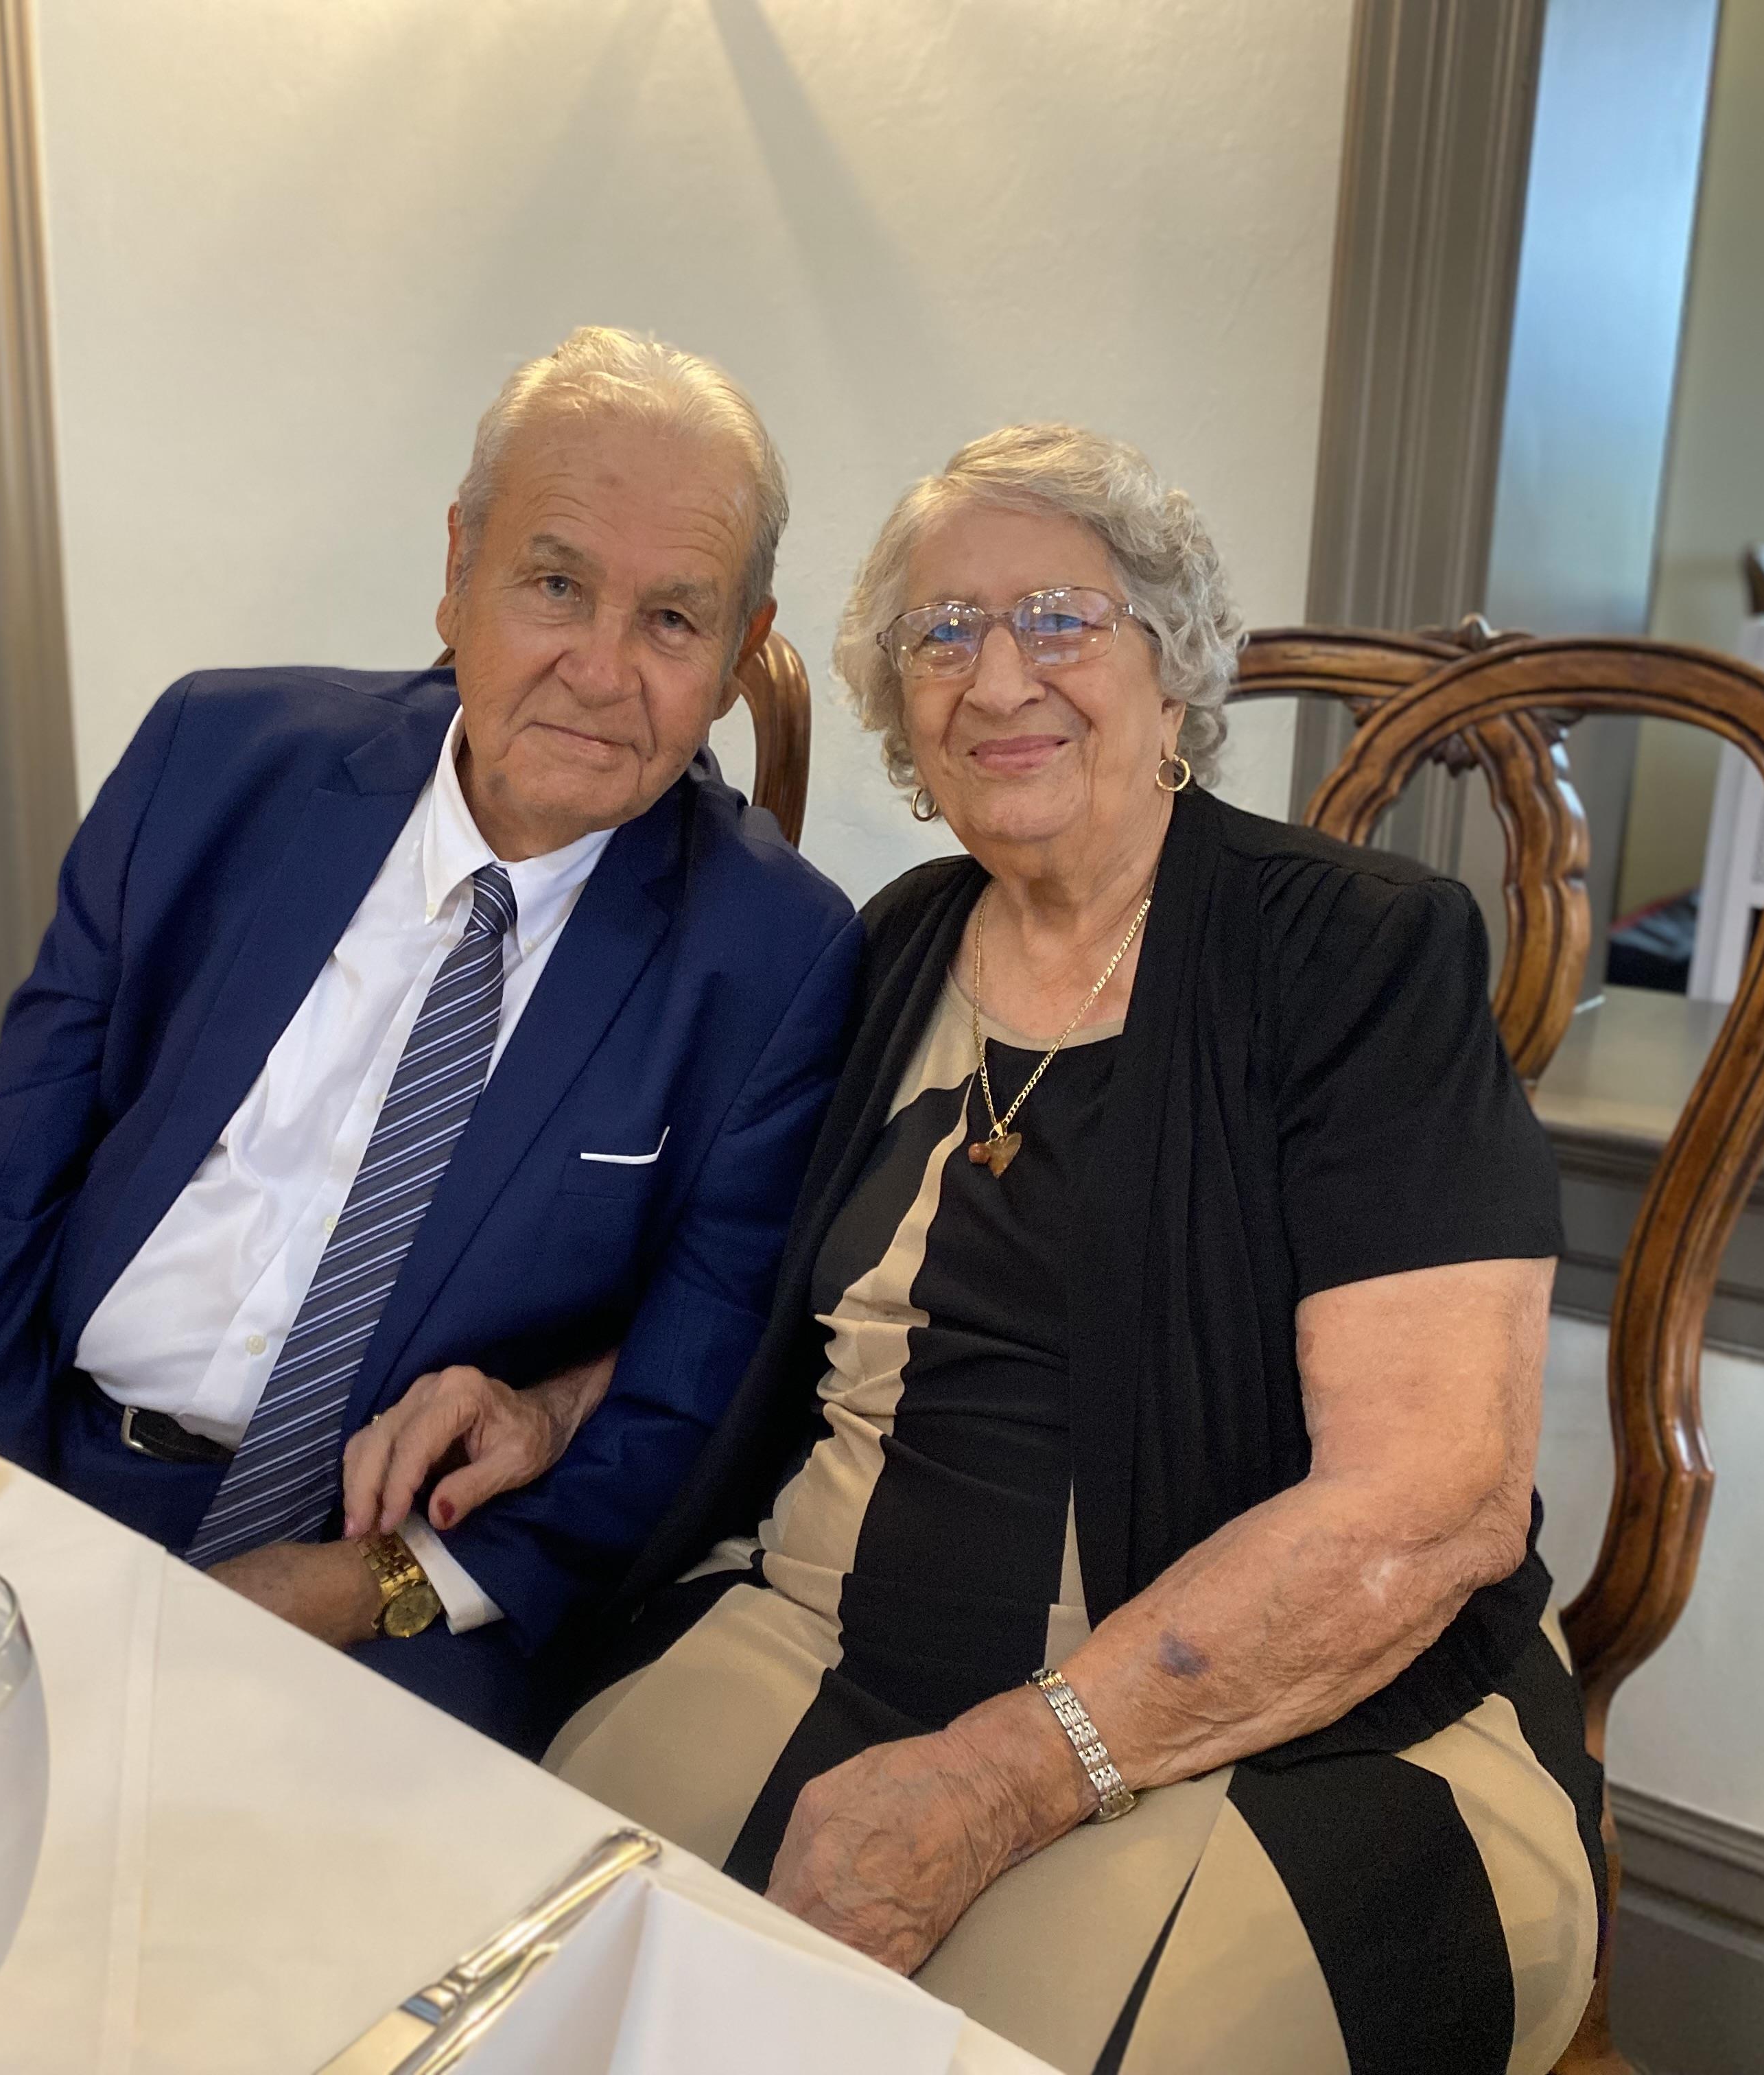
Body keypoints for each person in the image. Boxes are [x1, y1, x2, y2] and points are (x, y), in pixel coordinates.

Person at [424, 423, 1601, 2068]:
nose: (997, 679)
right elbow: (777, 1309)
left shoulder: (1353, 954)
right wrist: (557, 1408)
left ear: (1172, 663)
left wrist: (1003, 1778)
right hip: (822, 1631)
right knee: (536, 1969)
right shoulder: (904, 937)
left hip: (1261, 1729)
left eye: (1060, 619)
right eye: (945, 636)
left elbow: (1435, 1501)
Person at [0, 329, 857, 1749]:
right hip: (62, 1462)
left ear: (738, 656)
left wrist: (382, 1584)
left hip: (397, 1584)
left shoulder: (777, 957)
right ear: (459, 568)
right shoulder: (216, 760)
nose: (602, 672)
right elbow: (14, 1161)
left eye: (673, 620)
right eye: (554, 585)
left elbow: (693, 1391)